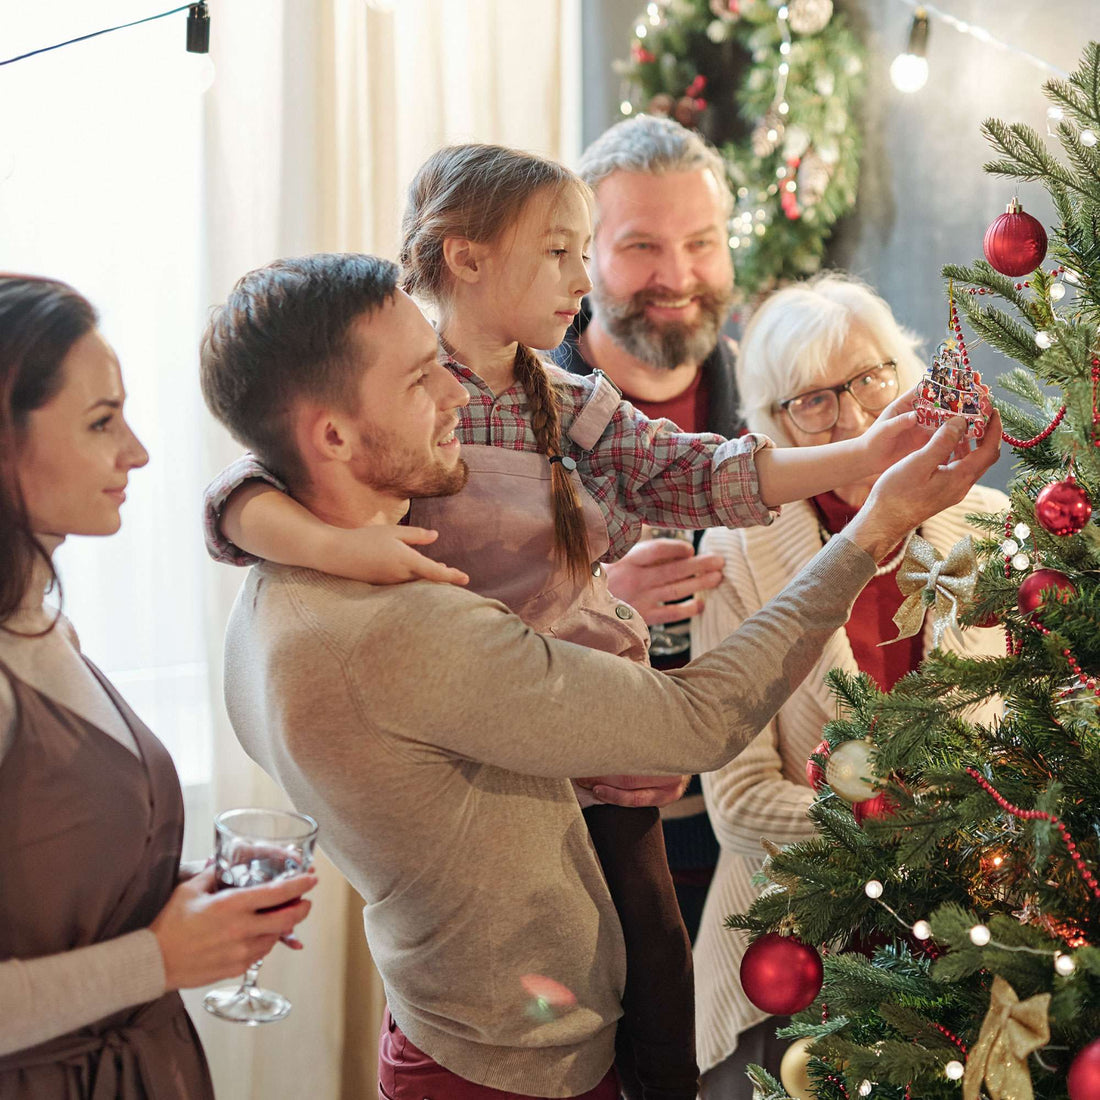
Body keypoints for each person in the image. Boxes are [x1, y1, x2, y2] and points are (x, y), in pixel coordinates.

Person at [202, 146, 933, 1100]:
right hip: (499, 734)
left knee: (656, 970)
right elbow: (248, 485)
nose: (579, 282)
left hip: (588, 717)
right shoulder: (395, 393)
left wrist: (866, 456)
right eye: (561, 253)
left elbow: (697, 470)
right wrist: (346, 549)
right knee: (569, 974)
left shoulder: (562, 398)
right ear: (463, 259)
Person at [0, 274, 318, 1099]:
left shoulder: (42, 627)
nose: (136, 451)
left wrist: (182, 898)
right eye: (102, 422)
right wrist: (162, 957)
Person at [689, 274, 1007, 1097]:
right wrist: (903, 830)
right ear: (771, 428)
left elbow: (1022, 728)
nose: (858, 419)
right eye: (815, 402)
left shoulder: (988, 525)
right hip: (796, 960)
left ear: (910, 379)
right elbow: (738, 802)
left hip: (976, 944)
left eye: (871, 380)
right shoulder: (738, 554)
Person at [553, 114, 742, 941]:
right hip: (578, 851)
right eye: (640, 247)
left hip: (759, 841)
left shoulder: (785, 404)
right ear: (584, 259)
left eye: (701, 242)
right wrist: (594, 604)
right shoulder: (511, 417)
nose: (678, 275)